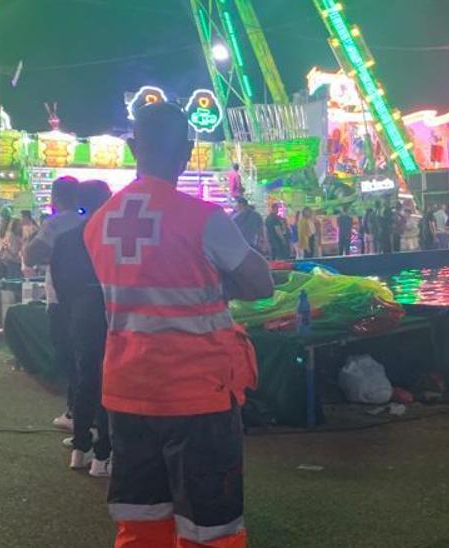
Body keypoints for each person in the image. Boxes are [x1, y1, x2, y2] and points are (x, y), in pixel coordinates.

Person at [84, 102, 273, 547]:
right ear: (188, 152)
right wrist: (218, 283)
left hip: (127, 392)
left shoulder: (99, 224)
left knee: (142, 519)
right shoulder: (204, 218)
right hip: (197, 395)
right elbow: (260, 282)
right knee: (210, 526)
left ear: (133, 147)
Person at [52, 180, 115, 477]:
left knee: (85, 377)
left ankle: (79, 448)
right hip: (107, 312)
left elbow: (59, 281)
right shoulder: (112, 235)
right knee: (107, 381)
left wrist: (73, 307)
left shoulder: (67, 238)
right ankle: (103, 456)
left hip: (78, 312)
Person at [23, 176, 84, 434]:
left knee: (69, 356)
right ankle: (85, 411)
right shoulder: (86, 221)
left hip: (60, 298)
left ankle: (75, 412)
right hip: (87, 297)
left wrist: (51, 256)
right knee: (85, 356)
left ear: (56, 198)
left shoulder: (55, 224)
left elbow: (30, 254)